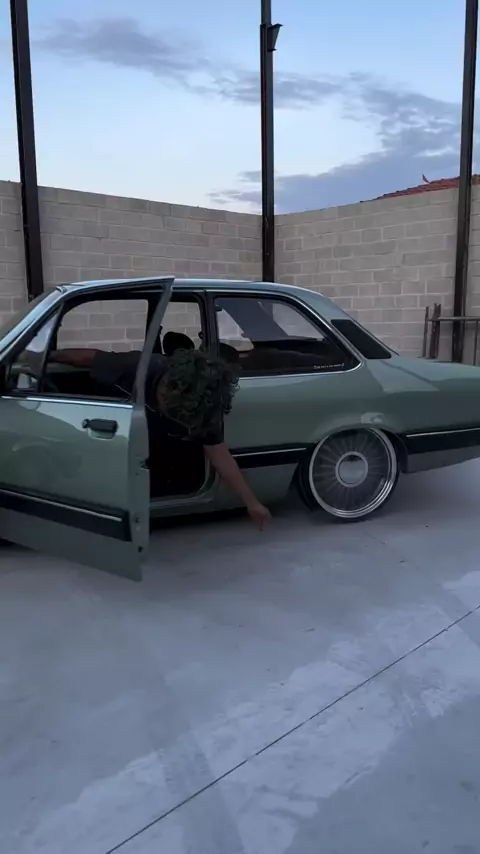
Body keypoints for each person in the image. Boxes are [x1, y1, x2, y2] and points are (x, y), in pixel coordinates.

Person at [50, 345, 272, 530]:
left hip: (156, 447)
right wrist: (45, 357)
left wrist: (252, 503)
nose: (175, 414)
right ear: (167, 384)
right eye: (171, 406)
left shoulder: (203, 407)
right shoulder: (137, 367)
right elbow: (88, 357)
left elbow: (220, 456)